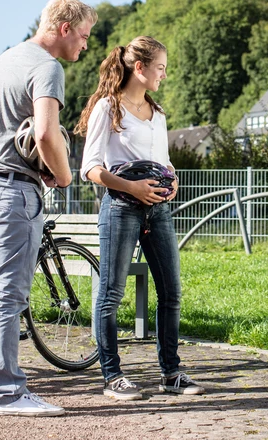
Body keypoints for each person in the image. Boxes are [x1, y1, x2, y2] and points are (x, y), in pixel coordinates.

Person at [0, 0, 95, 416]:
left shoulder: (6, 59)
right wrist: (65, 174)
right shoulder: (47, 66)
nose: (86, 45)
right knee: (8, 291)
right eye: (84, 35)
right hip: (10, 190)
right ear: (63, 27)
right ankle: (11, 393)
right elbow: (45, 132)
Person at [76, 36, 205, 400]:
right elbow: (91, 168)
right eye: (160, 67)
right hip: (121, 208)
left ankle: (171, 374)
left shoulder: (158, 112)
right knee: (112, 293)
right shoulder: (108, 107)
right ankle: (112, 376)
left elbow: (163, 160)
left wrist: (172, 176)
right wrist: (131, 189)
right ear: (140, 68)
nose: (164, 74)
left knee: (172, 292)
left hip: (159, 210)